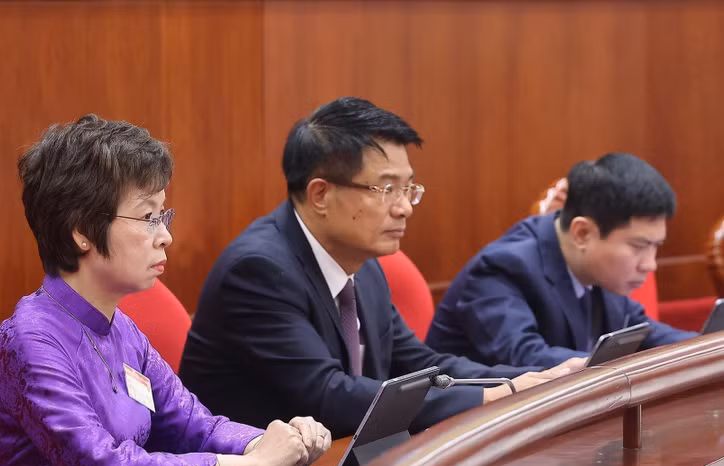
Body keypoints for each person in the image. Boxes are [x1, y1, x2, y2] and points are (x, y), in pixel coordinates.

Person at [0, 115, 331, 466]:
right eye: (148, 217)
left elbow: (193, 426)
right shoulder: (30, 341)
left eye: (163, 215)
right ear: (81, 232)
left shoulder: (123, 331)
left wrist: (275, 441)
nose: (165, 235)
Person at [178, 97, 578, 440]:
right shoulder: (258, 271)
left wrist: (527, 379)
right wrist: (493, 396)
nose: (404, 206)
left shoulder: (363, 265)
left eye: (408, 189)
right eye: (387, 189)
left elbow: (421, 365)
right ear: (321, 194)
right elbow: (329, 395)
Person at [426, 153, 696, 368]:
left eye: (655, 247)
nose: (650, 264)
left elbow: (646, 335)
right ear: (582, 233)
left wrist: (710, 346)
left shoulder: (597, 268)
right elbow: (528, 359)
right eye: (639, 246)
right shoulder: (502, 269)